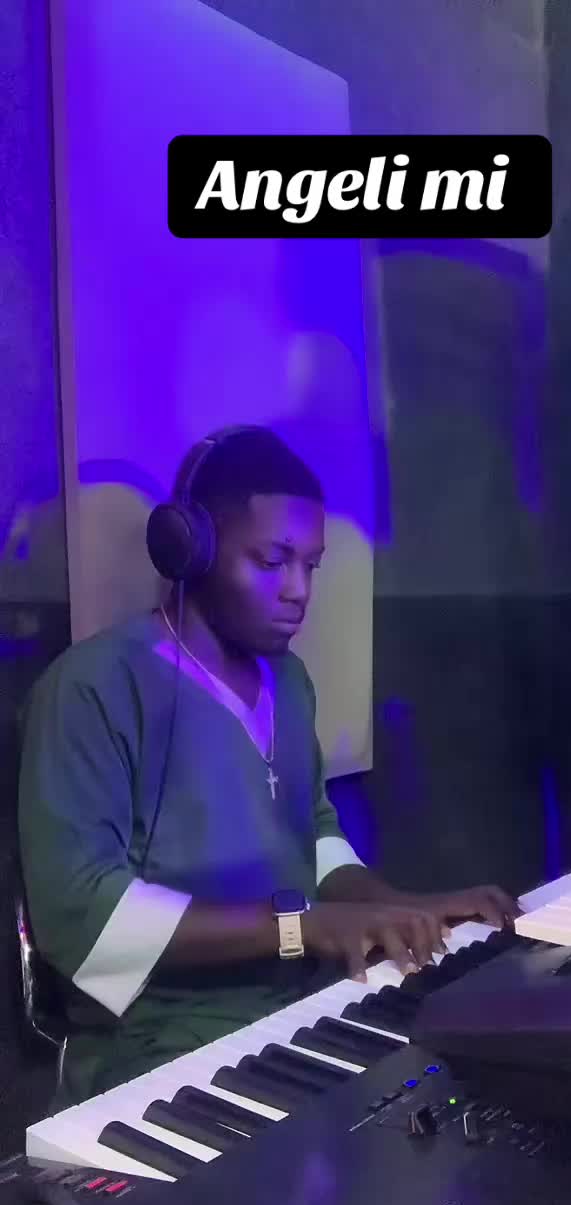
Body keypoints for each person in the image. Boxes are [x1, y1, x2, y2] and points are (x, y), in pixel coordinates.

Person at [18, 427, 520, 1107]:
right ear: (193, 549)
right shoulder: (90, 689)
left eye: (311, 565)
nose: (297, 590)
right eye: (272, 560)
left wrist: (403, 907)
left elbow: (315, 837)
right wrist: (300, 927)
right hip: (158, 1050)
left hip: (302, 1011)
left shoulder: (290, 682)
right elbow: (82, 914)